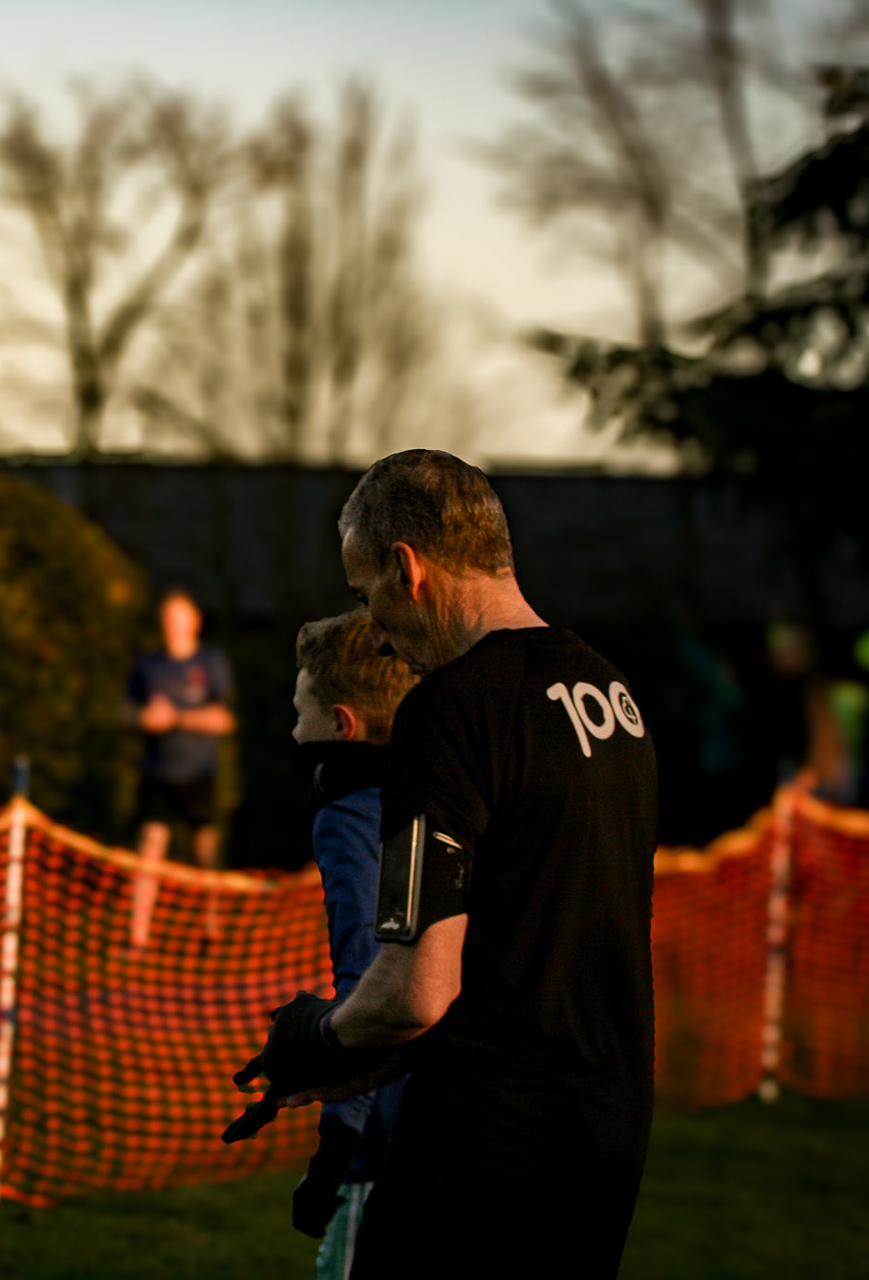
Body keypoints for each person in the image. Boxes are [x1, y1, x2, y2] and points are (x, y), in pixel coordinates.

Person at [230, 449, 657, 1279]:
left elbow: (419, 988)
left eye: (366, 597)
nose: (376, 631)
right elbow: (530, 947)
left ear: (405, 567)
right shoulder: (613, 695)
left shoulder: (452, 708)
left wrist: (319, 1037)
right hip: (606, 1130)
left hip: (486, 1142)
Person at [287, 611, 416, 1279]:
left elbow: (373, 982)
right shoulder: (442, 795)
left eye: (299, 708)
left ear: (341, 723)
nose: (291, 729)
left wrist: (332, 1160)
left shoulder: (348, 817)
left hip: (391, 1135)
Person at [124, 590, 236, 950]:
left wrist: (178, 717)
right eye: (166, 619)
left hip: (200, 773)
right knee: (149, 852)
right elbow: (127, 713)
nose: (171, 626)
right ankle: (137, 936)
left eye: (178, 618)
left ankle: (211, 929)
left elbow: (224, 719)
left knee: (205, 853)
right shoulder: (148, 666)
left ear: (194, 622)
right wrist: (144, 718)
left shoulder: (212, 663)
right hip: (158, 772)